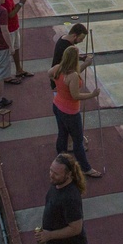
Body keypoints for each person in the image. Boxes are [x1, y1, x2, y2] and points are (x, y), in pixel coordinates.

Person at [50, 45, 103, 178]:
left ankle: (61, 159)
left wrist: (59, 86)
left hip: (57, 105)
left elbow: (49, 74)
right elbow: (75, 95)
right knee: (78, 141)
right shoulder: (73, 76)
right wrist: (92, 95)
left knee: (62, 133)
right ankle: (85, 168)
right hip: (70, 111)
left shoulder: (57, 68)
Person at [0, 0, 30, 84]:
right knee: (8, 52)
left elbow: (12, 8)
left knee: (16, 48)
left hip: (14, 26)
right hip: (9, 28)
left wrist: (18, 4)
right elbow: (10, 14)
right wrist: (20, 4)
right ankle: (6, 75)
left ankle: (18, 69)